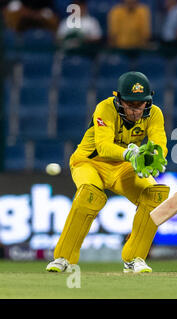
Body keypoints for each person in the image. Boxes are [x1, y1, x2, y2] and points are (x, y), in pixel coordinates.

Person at [46, 71, 169, 273]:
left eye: (140, 104)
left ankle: (134, 258)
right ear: (119, 99)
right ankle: (63, 258)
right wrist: (131, 154)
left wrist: (155, 156)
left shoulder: (155, 113)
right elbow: (103, 147)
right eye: (130, 104)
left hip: (123, 167)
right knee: (89, 195)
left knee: (155, 194)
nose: (136, 111)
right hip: (89, 162)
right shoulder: (105, 108)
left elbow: (159, 143)